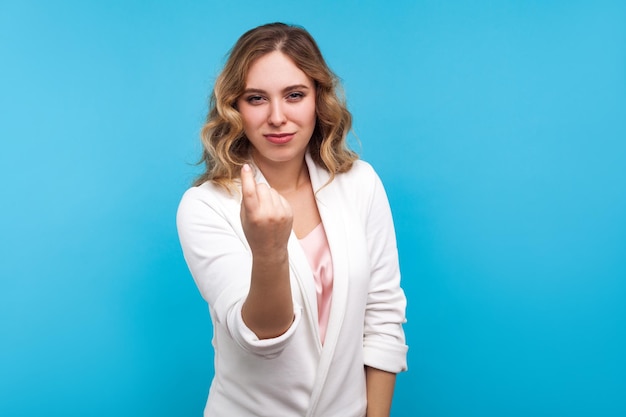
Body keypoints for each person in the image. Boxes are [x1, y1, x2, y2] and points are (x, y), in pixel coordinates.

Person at [177, 22, 408, 417]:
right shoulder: (205, 206)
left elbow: (382, 316)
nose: (277, 117)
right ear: (235, 107)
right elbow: (261, 339)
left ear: (318, 98)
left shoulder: (360, 184)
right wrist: (268, 251)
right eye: (256, 99)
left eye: (294, 95)